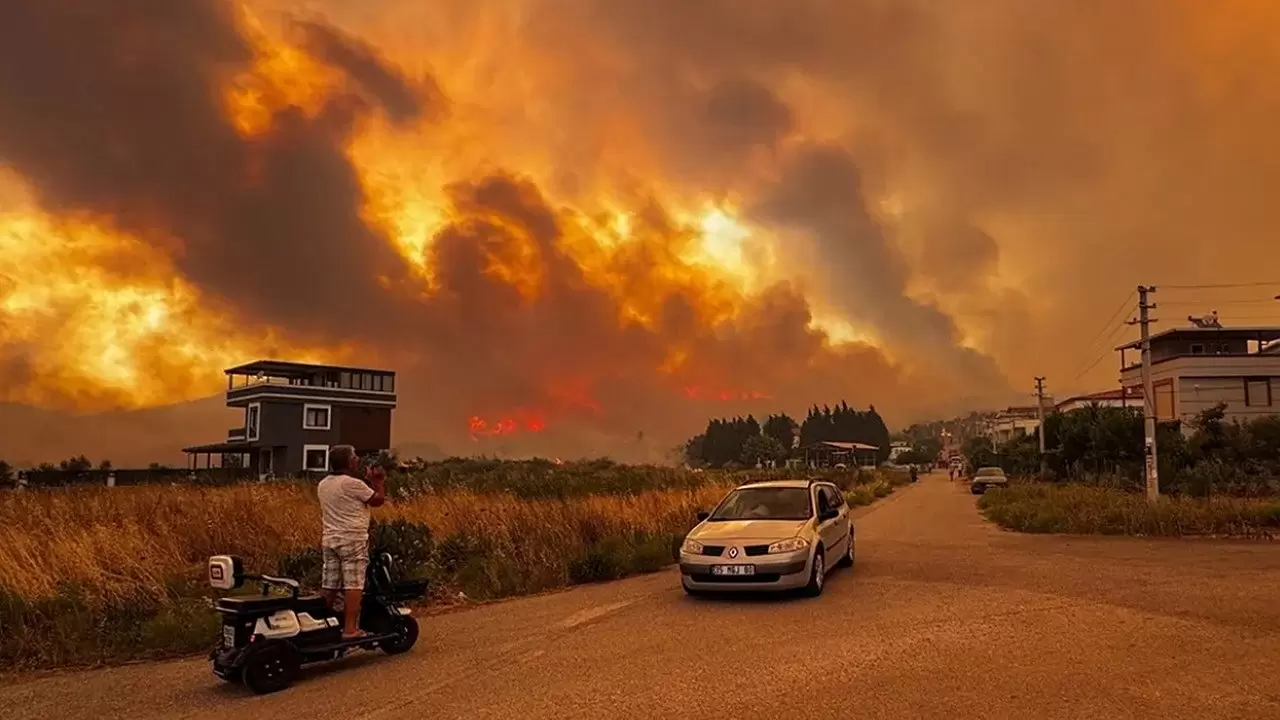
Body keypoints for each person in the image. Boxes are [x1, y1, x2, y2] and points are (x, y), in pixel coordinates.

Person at [317, 445, 386, 640]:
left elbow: (350, 493)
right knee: (353, 585)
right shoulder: (353, 484)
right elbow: (377, 500)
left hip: (330, 539)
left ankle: (321, 625)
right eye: (354, 456)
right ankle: (350, 629)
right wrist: (378, 481)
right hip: (352, 539)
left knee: (329, 584)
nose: (357, 459)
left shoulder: (324, 484)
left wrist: (367, 481)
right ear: (348, 462)